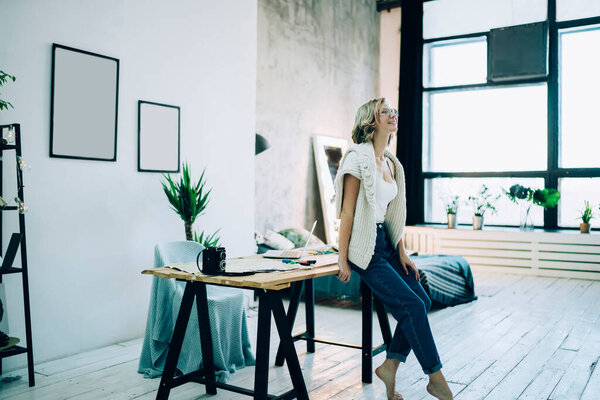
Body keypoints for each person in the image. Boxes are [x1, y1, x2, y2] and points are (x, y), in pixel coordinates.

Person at [334, 98, 453, 400]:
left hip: (386, 244)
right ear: (370, 121)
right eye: (385, 110)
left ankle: (389, 365)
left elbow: (393, 213)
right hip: (365, 248)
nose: (393, 114)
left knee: (421, 300)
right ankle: (435, 377)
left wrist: (401, 250)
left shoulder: (391, 162)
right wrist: (342, 258)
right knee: (412, 307)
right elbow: (347, 213)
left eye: (393, 111)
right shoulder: (356, 159)